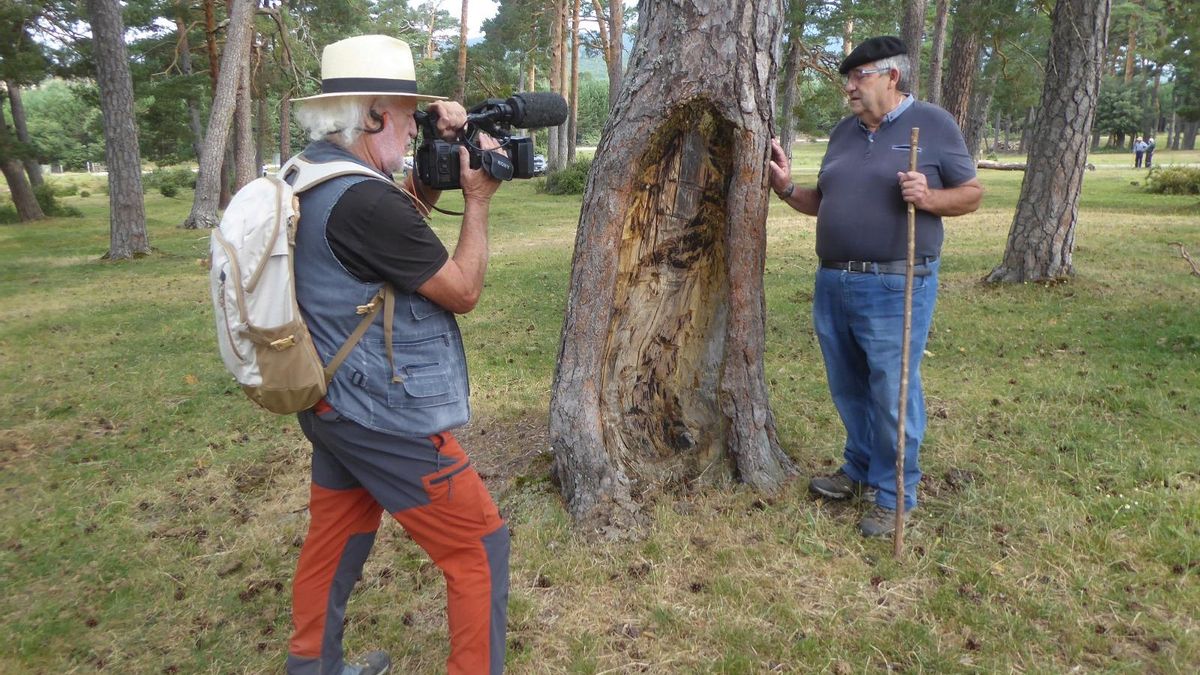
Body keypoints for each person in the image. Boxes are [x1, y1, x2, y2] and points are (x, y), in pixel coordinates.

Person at [286, 35, 509, 674]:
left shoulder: (314, 173)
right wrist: (478, 201)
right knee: (479, 545)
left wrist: (434, 168)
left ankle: (313, 669)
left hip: (326, 396)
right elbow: (461, 291)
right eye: (410, 114)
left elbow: (392, 234)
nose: (416, 126)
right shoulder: (365, 200)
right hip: (378, 411)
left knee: (336, 537)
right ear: (375, 113)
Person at [767, 36, 982, 537]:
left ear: (892, 76)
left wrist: (929, 197)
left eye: (858, 76)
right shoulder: (844, 133)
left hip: (895, 281)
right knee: (849, 385)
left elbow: (970, 195)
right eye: (848, 78)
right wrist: (784, 188)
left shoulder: (931, 124)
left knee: (891, 390)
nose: (849, 87)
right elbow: (822, 201)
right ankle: (860, 468)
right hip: (833, 278)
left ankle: (895, 495)